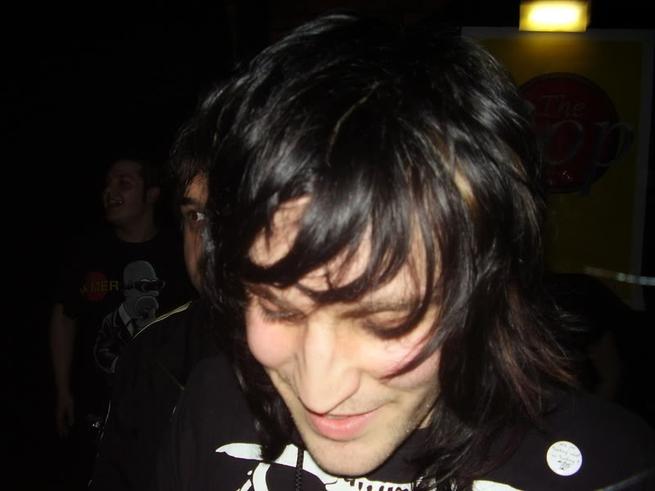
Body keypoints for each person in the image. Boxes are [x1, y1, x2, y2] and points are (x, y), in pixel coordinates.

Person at [156, 13, 655, 490]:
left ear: (486, 282)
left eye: (386, 319)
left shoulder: (608, 467)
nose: (319, 391)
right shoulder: (210, 407)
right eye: (278, 307)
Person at [50, 155, 195, 488]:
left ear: (152, 194)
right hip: (96, 412)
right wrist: (63, 390)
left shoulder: (179, 252)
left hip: (165, 414)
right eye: (108, 184)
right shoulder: (87, 251)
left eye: (124, 183)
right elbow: (64, 317)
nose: (110, 191)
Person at [89, 153, 222, 491]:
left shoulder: (324, 350)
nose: (209, 239)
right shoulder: (152, 350)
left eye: (227, 214)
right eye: (195, 216)